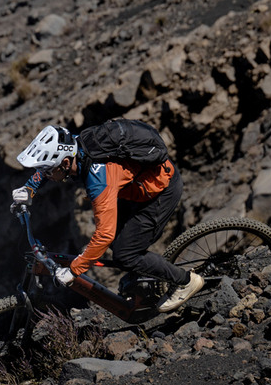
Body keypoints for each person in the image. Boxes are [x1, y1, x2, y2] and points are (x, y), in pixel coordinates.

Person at [11, 122, 204, 312]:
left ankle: (185, 281)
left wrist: (74, 270)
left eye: (47, 171)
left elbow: (104, 235)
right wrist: (29, 188)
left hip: (160, 192)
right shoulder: (76, 145)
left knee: (126, 255)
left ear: (66, 163)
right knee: (118, 244)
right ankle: (144, 278)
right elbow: (51, 165)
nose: (46, 175)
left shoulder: (99, 182)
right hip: (135, 187)